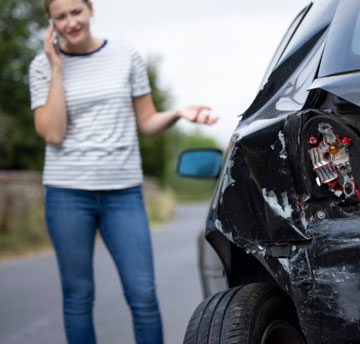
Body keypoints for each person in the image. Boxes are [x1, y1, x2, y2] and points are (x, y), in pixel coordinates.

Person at [28, 0, 218, 343]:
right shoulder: (41, 67)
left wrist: (177, 113)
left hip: (123, 192)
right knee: (78, 298)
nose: (71, 22)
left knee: (143, 294)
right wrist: (57, 67)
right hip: (67, 193)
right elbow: (53, 133)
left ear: (90, 9)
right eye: (60, 17)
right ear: (50, 21)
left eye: (76, 12)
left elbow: (146, 122)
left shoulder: (124, 54)